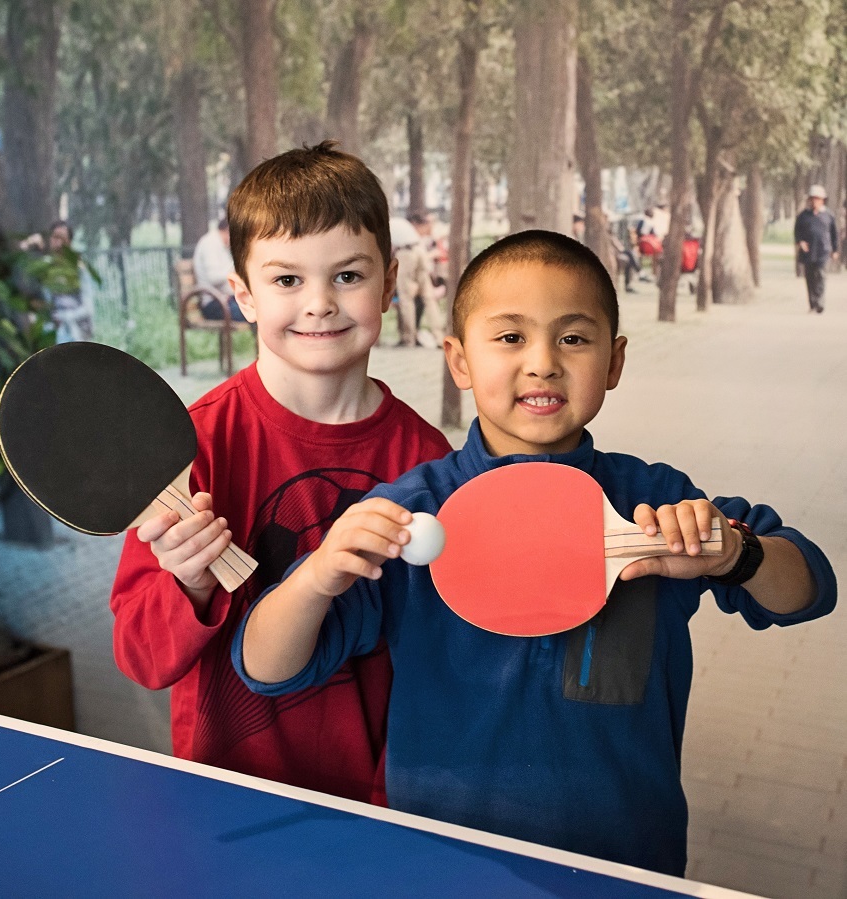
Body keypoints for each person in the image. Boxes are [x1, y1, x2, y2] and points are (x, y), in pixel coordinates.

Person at [234, 230, 836, 876]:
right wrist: (318, 575)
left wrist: (736, 554)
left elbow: (810, 590)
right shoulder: (410, 514)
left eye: (573, 338)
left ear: (614, 361)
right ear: (459, 361)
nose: (543, 362)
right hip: (443, 865)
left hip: (627, 866)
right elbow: (264, 666)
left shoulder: (658, 502)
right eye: (510, 337)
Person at [110, 142, 452, 804]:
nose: (319, 303)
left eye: (347, 275)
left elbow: (435, 653)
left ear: (389, 281)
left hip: (376, 803)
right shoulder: (194, 446)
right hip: (227, 793)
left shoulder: (428, 455)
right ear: (243, 295)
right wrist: (190, 583)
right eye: (287, 280)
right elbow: (142, 657)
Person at [20, 220, 95, 342]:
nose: (58, 242)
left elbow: (88, 308)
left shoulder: (78, 268)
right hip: (50, 334)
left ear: (69, 242)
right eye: (55, 237)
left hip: (76, 336)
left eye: (63, 238)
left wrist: (62, 316)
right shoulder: (44, 266)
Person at [389, 213, 445, 348]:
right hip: (420, 251)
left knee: (406, 298)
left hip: (405, 254)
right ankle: (439, 337)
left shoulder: (386, 226)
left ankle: (409, 339)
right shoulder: (399, 222)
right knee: (428, 298)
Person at [794, 184, 839, 313]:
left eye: (818, 199)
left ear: (822, 200)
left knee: (821, 276)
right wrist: (800, 242)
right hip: (808, 251)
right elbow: (797, 231)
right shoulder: (803, 216)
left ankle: (820, 303)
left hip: (823, 251)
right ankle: (812, 303)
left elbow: (834, 234)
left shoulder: (828, 215)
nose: (815, 201)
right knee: (810, 278)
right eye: (813, 198)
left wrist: (835, 250)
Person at [192, 218, 247, 322]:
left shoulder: (220, 244)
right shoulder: (210, 243)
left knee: (256, 308)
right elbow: (213, 277)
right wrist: (234, 269)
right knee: (252, 313)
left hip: (224, 299)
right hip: (213, 303)